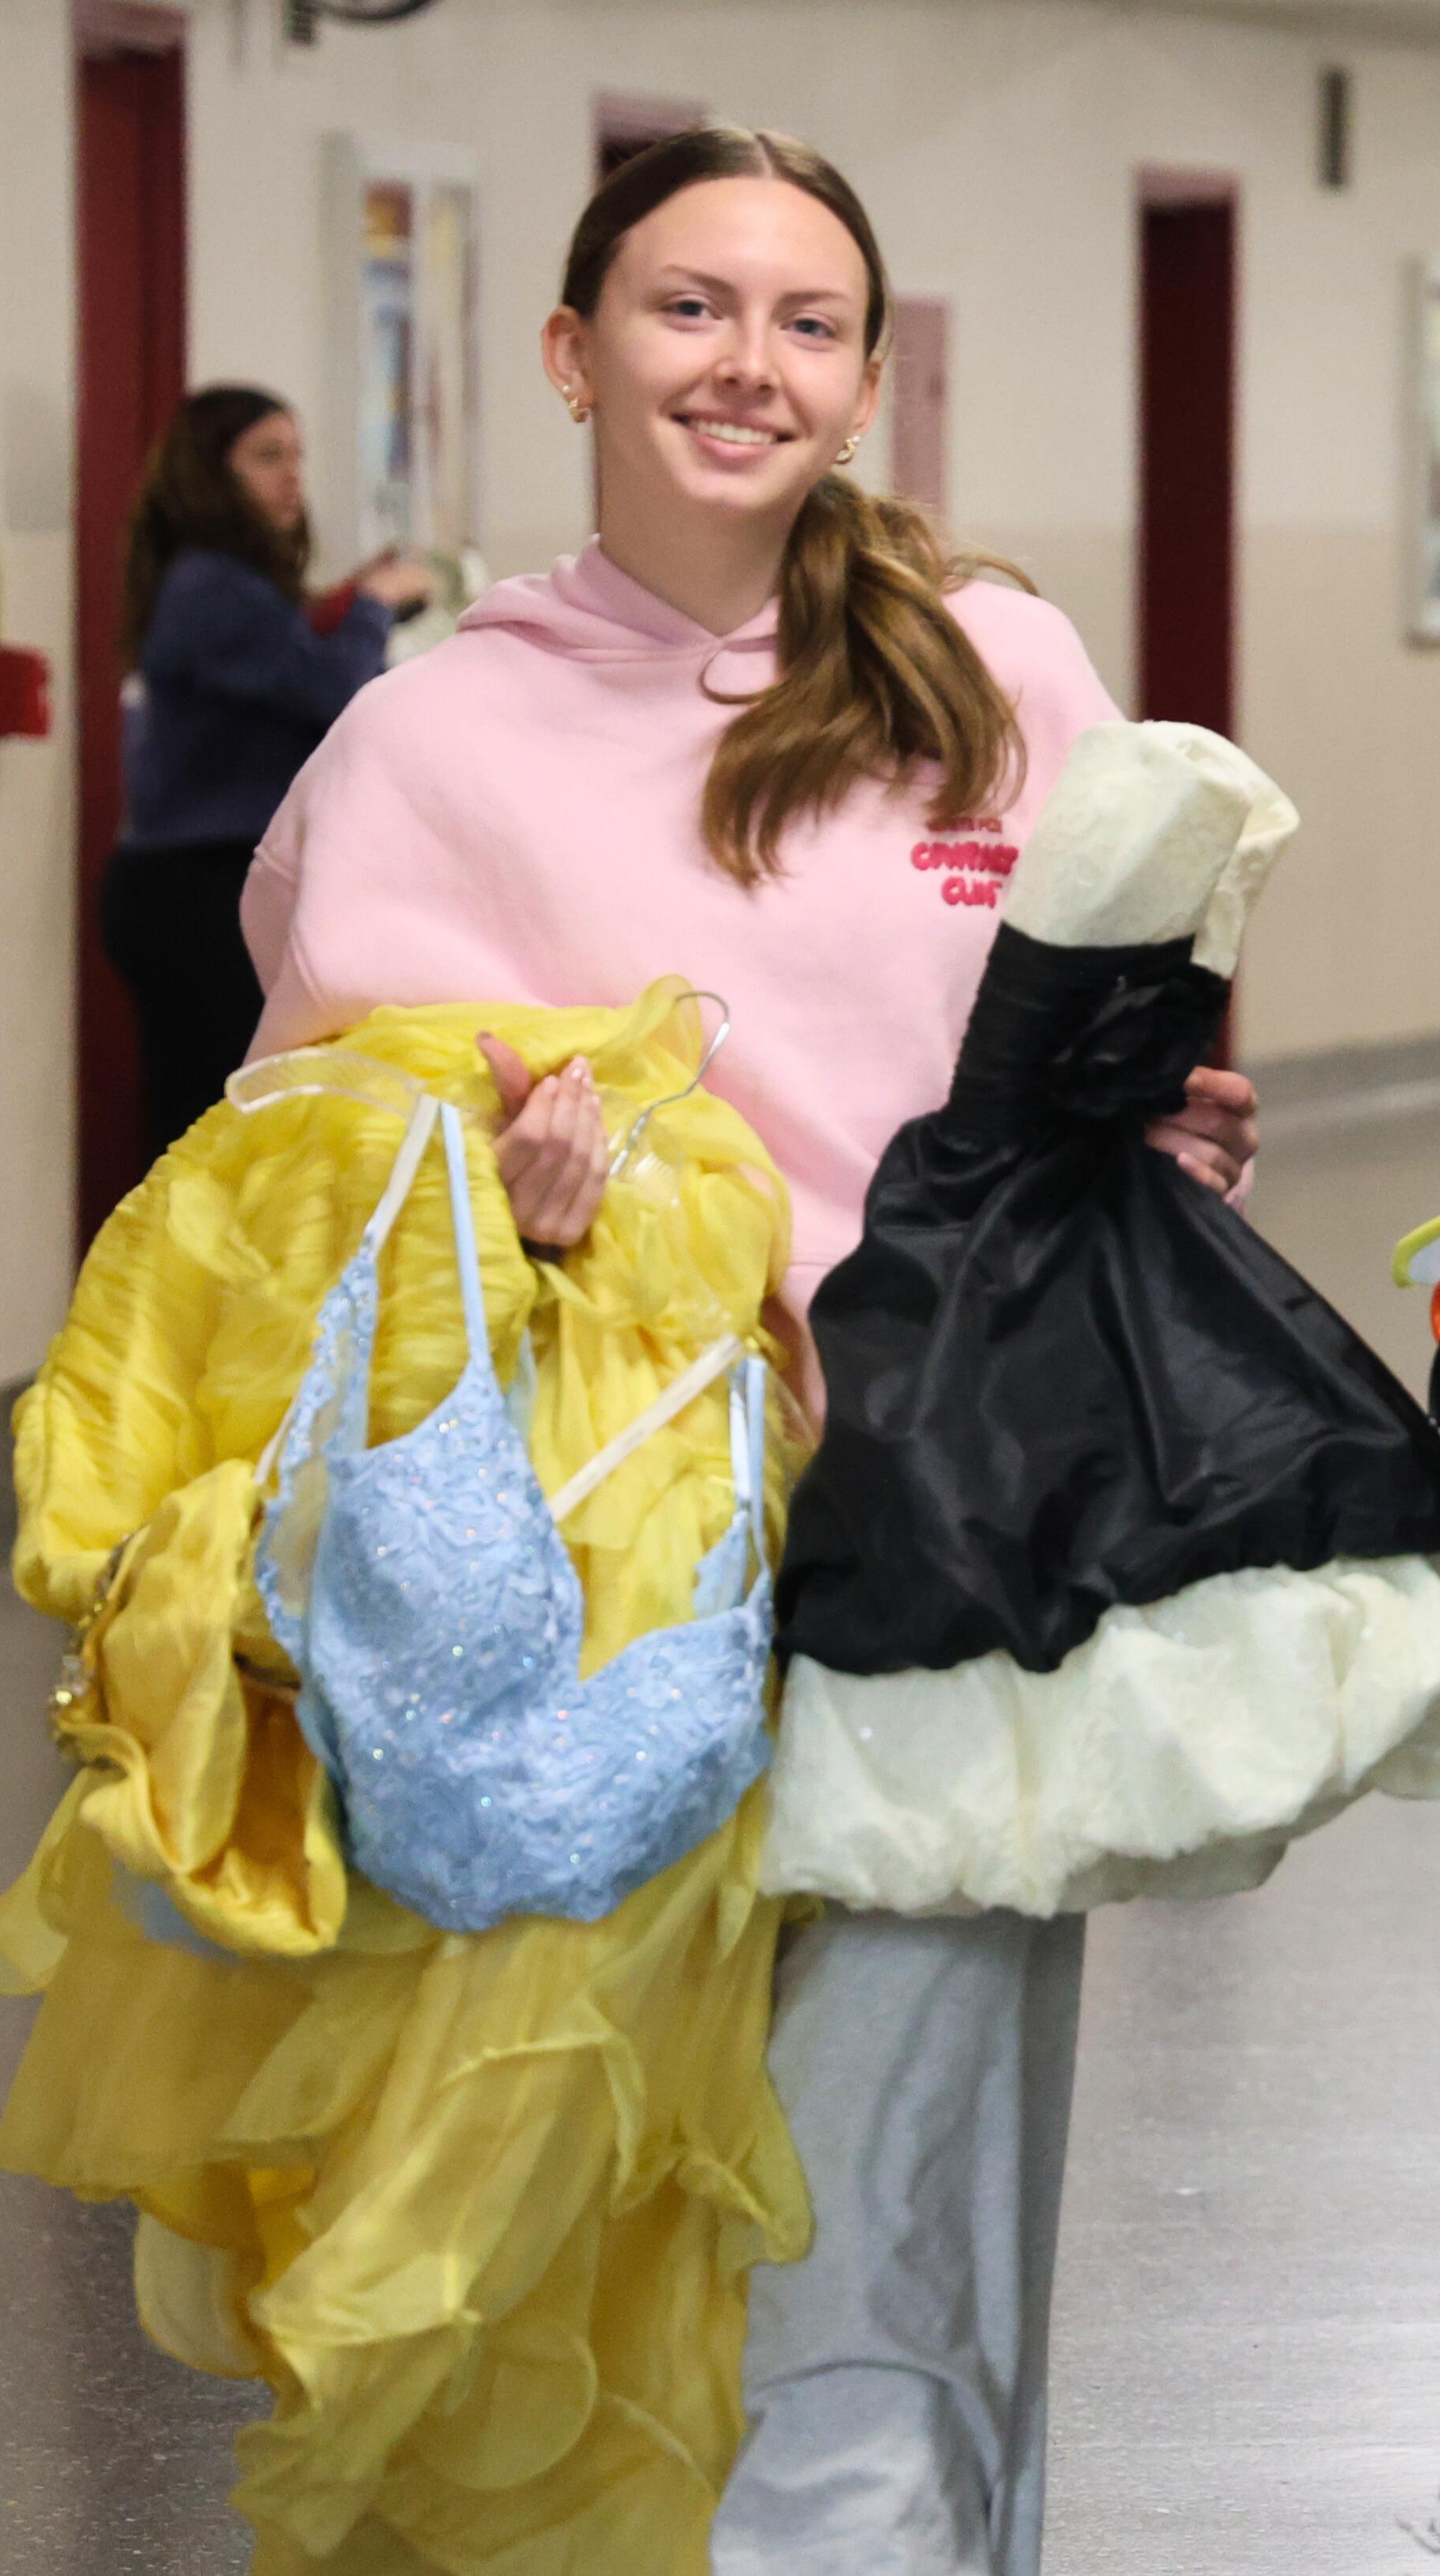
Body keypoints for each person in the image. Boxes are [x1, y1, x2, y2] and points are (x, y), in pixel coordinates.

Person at [246, 123, 1257, 2576]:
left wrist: (1162, 1142)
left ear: (874, 377)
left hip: (947, 1529)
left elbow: (1128, 1035)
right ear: (578, 351)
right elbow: (291, 1185)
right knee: (594, 2226)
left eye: (810, 322)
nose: (750, 364)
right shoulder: (430, 745)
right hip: (603, 1582)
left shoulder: (998, 671)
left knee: (895, 2234)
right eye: (692, 309)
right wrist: (499, 1207)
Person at [104, 385, 433, 1154]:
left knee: (221, 1123)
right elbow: (333, 692)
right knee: (217, 1133)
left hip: (201, 883)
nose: (292, 477)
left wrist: (347, 604)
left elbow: (287, 664)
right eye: (265, 456)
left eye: (296, 455)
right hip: (195, 893)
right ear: (208, 474)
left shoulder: (229, 586)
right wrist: (375, 607)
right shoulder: (210, 586)